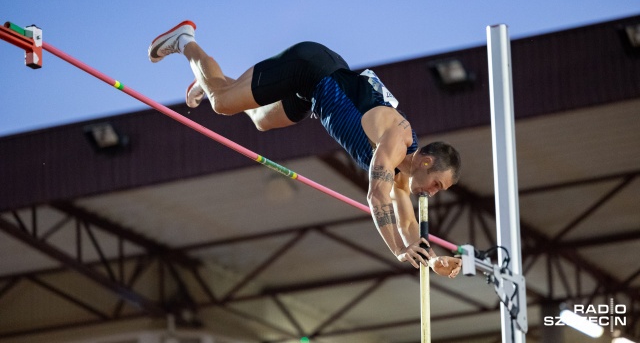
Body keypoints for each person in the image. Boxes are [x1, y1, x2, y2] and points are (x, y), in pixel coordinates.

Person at [149, 21, 462, 278]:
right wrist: (398, 250)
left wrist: (432, 261)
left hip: (314, 92)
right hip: (311, 68)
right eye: (438, 183)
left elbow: (407, 225)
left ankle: (209, 81)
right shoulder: (397, 139)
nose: (434, 192)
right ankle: (184, 41)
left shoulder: (404, 174)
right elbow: (376, 197)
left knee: (260, 120)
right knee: (222, 103)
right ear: (427, 161)